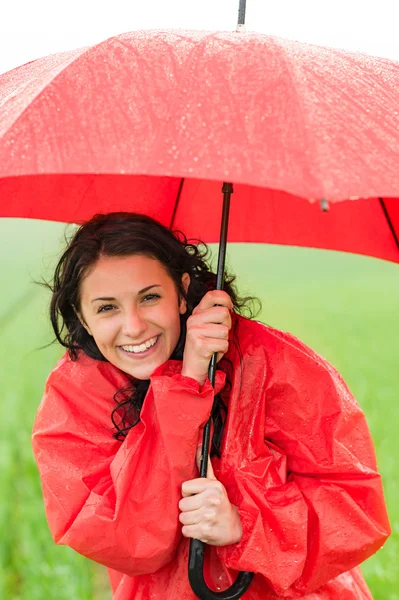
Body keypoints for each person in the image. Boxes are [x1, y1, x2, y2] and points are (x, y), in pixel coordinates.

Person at [32, 212, 390, 600]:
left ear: (183, 292)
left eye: (150, 297)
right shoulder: (76, 394)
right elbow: (125, 539)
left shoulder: (269, 361)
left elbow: (355, 510)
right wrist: (187, 381)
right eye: (106, 308)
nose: (133, 327)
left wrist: (246, 524)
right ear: (81, 315)